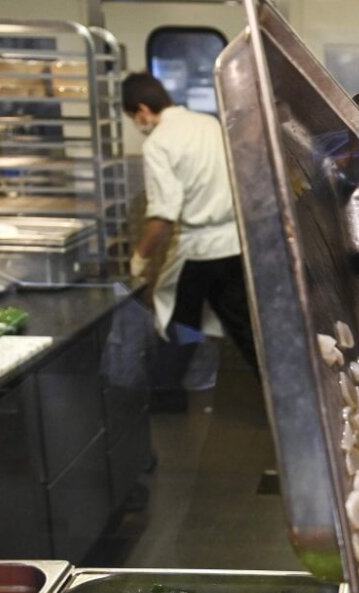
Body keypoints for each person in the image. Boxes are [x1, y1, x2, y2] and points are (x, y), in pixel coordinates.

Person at [123, 73, 259, 411]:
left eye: (133, 118)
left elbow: (163, 217)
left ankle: (167, 398)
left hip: (198, 250)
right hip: (233, 244)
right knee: (242, 326)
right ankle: (282, 391)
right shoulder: (209, 124)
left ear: (142, 110)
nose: (137, 125)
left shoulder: (158, 142)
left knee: (178, 321)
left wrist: (138, 259)